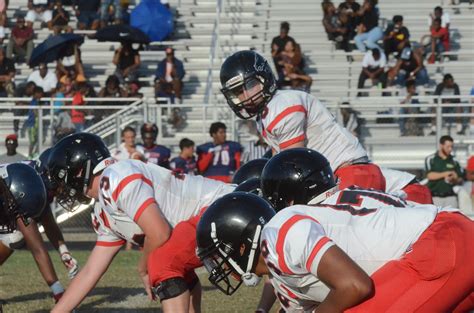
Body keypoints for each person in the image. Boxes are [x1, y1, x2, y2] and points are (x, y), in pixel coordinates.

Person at [196, 149, 474, 312]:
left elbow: (355, 285)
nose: (216, 267)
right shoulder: (280, 276)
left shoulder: (280, 230)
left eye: (218, 256)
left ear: (241, 245)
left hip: (441, 241)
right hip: (440, 242)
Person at [48, 133, 235, 312]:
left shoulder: (115, 177)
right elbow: (90, 271)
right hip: (214, 215)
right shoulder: (103, 206)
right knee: (170, 259)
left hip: (225, 208)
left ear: (80, 171)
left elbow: (159, 233)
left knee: (161, 260)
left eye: (64, 179)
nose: (64, 189)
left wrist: (143, 268)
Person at [219, 50, 385, 191]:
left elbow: (291, 164)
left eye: (249, 85)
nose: (245, 96)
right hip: (340, 174)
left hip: (350, 173)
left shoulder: (281, 105)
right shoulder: (266, 114)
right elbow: (279, 161)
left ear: (264, 77)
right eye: (238, 91)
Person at [0, 163, 66, 304]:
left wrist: (58, 292)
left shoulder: (21, 187)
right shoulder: (14, 188)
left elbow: (37, 247)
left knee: (15, 236)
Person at [425, 135, 464, 208]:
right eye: (448, 146)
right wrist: (445, 173)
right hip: (435, 197)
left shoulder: (454, 160)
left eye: (451, 146)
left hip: (451, 197)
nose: (450, 149)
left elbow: (461, 179)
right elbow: (429, 175)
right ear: (441, 145)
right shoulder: (431, 159)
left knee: (453, 218)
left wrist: (455, 178)